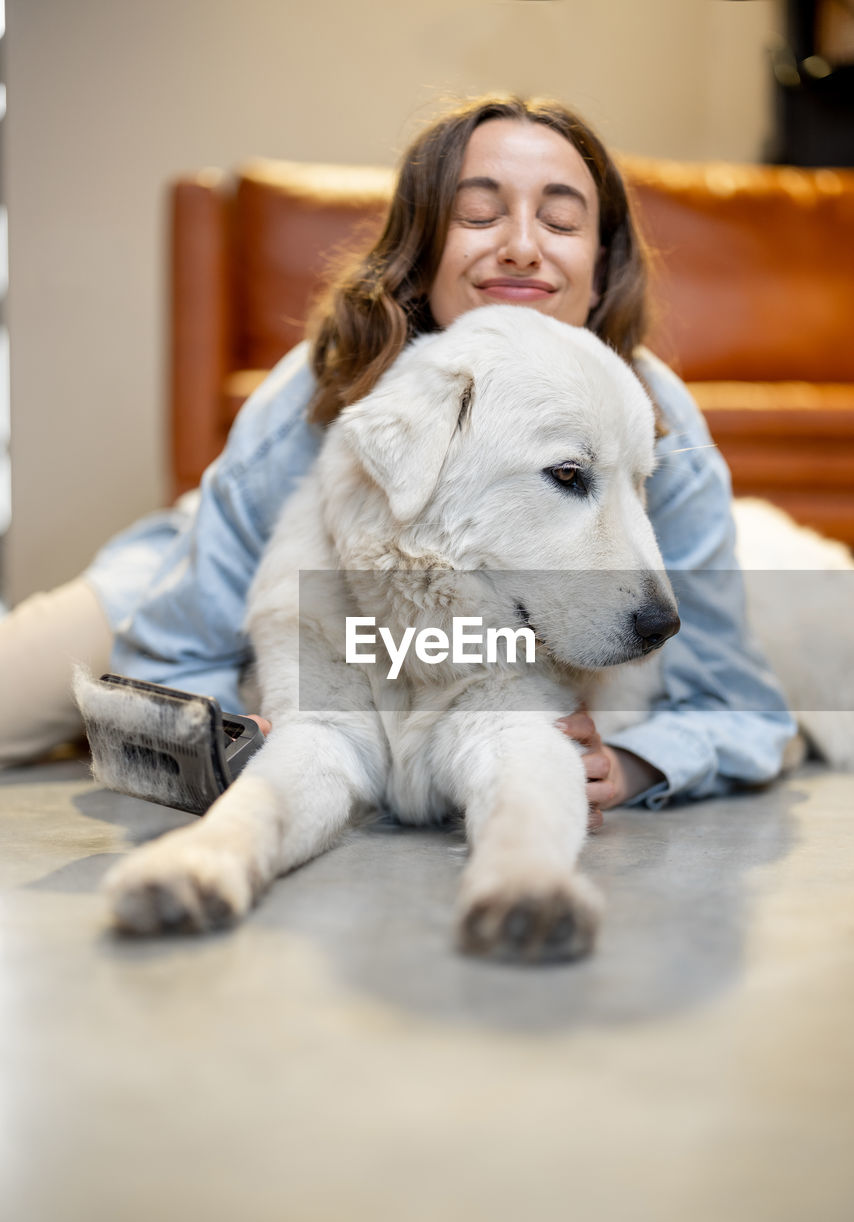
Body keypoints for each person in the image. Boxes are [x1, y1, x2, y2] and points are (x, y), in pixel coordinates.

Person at [0, 95, 797, 823]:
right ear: (421, 251)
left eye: (561, 223)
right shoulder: (319, 388)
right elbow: (169, 651)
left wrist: (627, 764)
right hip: (196, 567)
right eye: (478, 215)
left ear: (600, 265)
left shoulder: (652, 421)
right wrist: (243, 737)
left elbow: (744, 708)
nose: (522, 246)